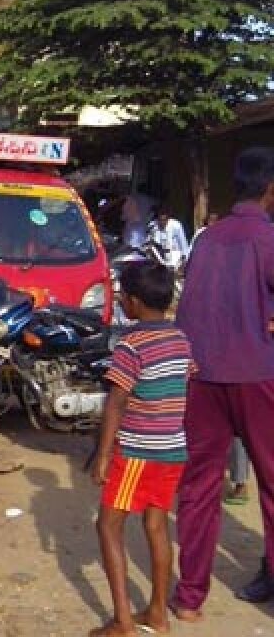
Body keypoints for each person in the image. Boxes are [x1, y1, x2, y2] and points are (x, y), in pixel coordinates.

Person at [171, 146, 274, 624]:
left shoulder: (207, 240)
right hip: (257, 376)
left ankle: (190, 598)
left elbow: (191, 306)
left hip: (202, 376)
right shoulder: (267, 239)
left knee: (198, 486)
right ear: (271, 188)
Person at [89, 261, 193, 636]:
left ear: (132, 302)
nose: (119, 299)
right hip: (172, 450)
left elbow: (116, 401)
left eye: (121, 294)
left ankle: (122, 622)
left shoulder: (131, 344)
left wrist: (103, 455)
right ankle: (158, 615)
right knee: (156, 525)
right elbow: (184, 382)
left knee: (108, 526)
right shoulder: (181, 339)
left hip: (137, 451)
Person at [146, 205, 189, 270]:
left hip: (175, 257)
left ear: (168, 218)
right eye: (160, 220)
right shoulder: (153, 226)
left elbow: (183, 244)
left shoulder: (176, 225)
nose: (162, 222)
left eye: (164, 220)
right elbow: (148, 243)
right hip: (159, 259)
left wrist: (184, 260)